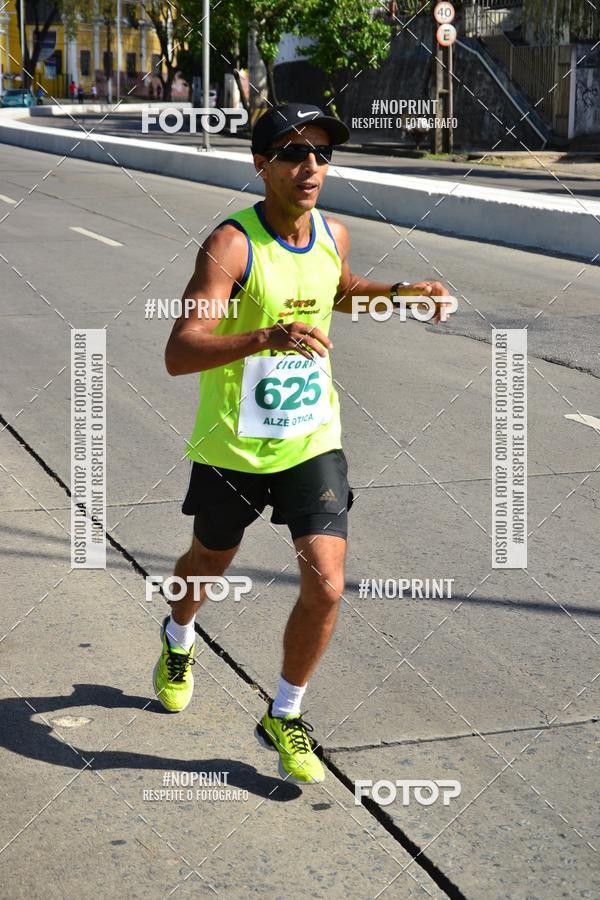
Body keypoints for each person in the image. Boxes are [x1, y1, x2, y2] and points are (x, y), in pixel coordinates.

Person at [154, 103, 455, 785]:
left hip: (313, 437)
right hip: (233, 444)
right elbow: (179, 351)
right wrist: (264, 335)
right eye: (293, 153)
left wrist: (402, 294)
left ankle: (283, 714)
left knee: (327, 581)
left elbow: (339, 291)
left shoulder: (333, 235)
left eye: (322, 153)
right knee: (209, 558)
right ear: (260, 164)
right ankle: (178, 636)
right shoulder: (231, 245)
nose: (310, 166)